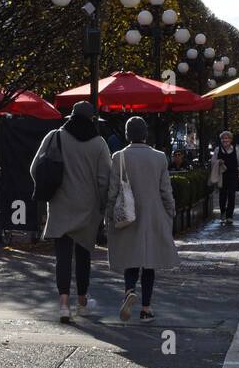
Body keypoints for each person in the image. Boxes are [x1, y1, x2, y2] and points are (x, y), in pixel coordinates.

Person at [31, 100, 111, 323]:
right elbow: (105, 179)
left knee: (63, 257)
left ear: (71, 116)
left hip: (60, 204)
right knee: (84, 254)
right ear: (91, 119)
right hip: (88, 208)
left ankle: (64, 305)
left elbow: (34, 167)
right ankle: (83, 302)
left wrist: (48, 188)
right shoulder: (99, 144)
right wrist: (103, 205)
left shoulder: (54, 136)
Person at [105, 116, 178, 324]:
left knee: (130, 258)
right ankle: (146, 309)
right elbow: (165, 189)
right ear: (146, 133)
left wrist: (109, 214)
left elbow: (113, 190)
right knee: (148, 263)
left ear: (127, 135)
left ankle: (129, 291)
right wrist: (170, 211)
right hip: (152, 215)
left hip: (127, 215)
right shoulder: (159, 157)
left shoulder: (118, 157)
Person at [213, 130, 239, 225]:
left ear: (231, 140)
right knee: (223, 195)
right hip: (222, 176)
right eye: (223, 138)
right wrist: (218, 161)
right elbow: (212, 162)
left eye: (227, 138)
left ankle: (229, 216)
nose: (225, 140)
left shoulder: (235, 150)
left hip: (233, 175)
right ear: (221, 140)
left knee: (232, 195)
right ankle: (223, 213)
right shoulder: (217, 150)